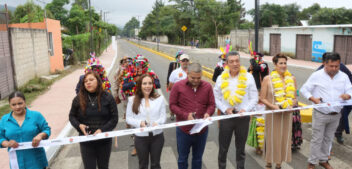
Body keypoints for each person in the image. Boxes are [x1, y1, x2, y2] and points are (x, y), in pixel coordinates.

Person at [300, 52, 352, 169]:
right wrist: (313, 98)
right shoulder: (316, 75)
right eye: (331, 66)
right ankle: (312, 162)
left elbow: (350, 89)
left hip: (336, 114)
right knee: (317, 139)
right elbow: (304, 89)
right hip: (320, 114)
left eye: (337, 66)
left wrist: (348, 95)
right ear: (324, 64)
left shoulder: (343, 76)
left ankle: (323, 160)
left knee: (328, 139)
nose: (334, 69)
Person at [213, 51, 258, 169]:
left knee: (241, 149)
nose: (235, 64)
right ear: (226, 63)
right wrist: (225, 108)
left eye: (237, 61)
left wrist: (246, 109)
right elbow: (216, 98)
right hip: (226, 117)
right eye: (231, 61)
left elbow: (254, 98)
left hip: (242, 118)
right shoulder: (220, 78)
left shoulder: (248, 77)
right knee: (223, 149)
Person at [169, 63, 215, 169]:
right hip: (184, 131)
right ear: (187, 73)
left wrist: (208, 113)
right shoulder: (177, 86)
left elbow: (211, 104)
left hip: (201, 131)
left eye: (198, 78)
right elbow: (172, 105)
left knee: (198, 159)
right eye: (193, 78)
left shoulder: (207, 87)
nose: (196, 80)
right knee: (182, 159)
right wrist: (185, 115)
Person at [69, 71, 118, 169]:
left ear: (98, 81)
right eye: (85, 81)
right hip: (86, 141)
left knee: (103, 166)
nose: (88, 82)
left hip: (104, 140)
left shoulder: (107, 97)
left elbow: (114, 118)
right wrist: (79, 126)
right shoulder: (78, 99)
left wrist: (102, 130)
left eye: (91, 80)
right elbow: (72, 116)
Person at [259, 53, 297, 169]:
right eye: (281, 63)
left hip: (286, 115)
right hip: (272, 115)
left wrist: (292, 104)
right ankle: (269, 162)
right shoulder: (267, 79)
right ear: (275, 64)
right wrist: (273, 106)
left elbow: (295, 97)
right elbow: (262, 98)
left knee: (283, 138)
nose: (283, 65)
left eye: (285, 63)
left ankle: (279, 164)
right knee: (272, 138)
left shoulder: (292, 79)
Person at [0, 91, 51, 169]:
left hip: (37, 162)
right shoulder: (4, 120)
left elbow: (46, 129)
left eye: (20, 103)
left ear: (25, 102)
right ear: (9, 105)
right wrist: (7, 143)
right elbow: (1, 137)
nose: (17, 107)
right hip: (16, 163)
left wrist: (40, 136)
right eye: (13, 105)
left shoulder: (36, 115)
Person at [126, 74, 167, 169]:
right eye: (144, 83)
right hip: (141, 138)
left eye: (150, 83)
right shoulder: (132, 100)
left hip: (157, 137)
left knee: (155, 164)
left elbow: (163, 116)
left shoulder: (159, 99)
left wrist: (158, 123)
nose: (147, 86)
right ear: (140, 85)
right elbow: (128, 118)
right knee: (143, 165)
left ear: (153, 85)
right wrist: (139, 123)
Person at [316, 54, 352, 144]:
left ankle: (338, 133)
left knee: (343, 116)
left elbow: (350, 78)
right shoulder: (319, 71)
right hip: (327, 100)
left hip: (342, 98)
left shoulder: (342, 67)